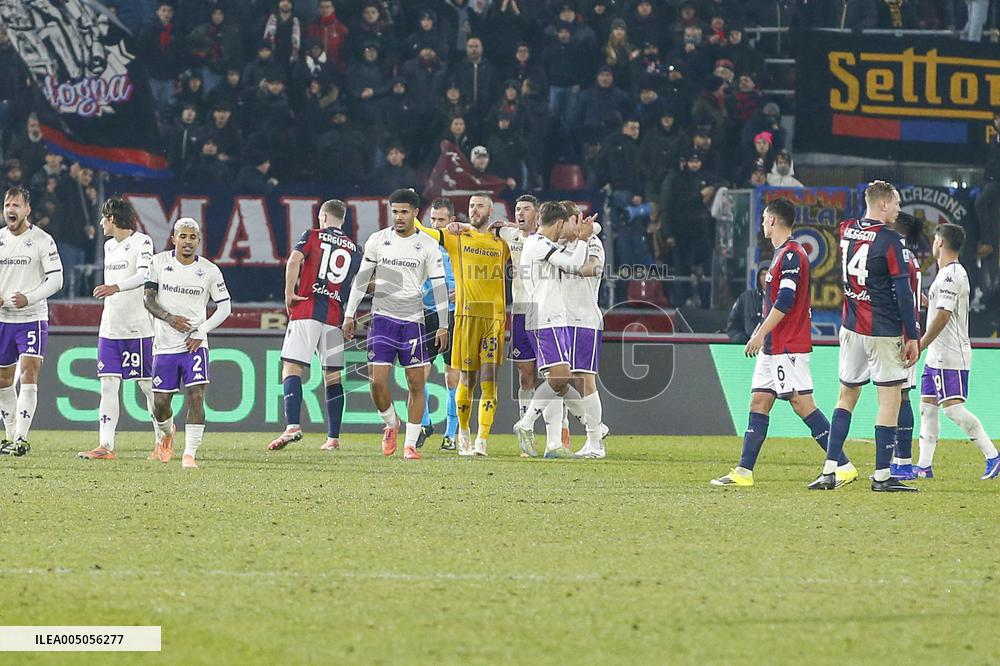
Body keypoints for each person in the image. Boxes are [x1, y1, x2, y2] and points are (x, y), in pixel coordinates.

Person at [711, 199, 856, 486]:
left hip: (788, 344)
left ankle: (843, 465)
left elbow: (786, 300)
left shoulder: (791, 255)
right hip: (774, 346)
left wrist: (760, 333)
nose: (763, 223)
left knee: (802, 404)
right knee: (759, 401)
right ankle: (744, 472)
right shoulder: (781, 255)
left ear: (773, 220)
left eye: (764, 218)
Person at [810, 181, 920, 492]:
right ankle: (882, 476)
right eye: (896, 203)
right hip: (882, 329)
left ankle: (830, 470)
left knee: (846, 395)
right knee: (890, 398)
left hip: (851, 326)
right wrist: (911, 335)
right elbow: (903, 293)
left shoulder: (847, 230)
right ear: (883, 204)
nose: (899, 209)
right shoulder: (891, 240)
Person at [343, 189, 448, 461]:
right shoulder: (378, 240)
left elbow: (439, 286)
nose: (398, 217)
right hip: (382, 319)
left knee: (416, 382)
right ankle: (391, 423)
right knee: (377, 382)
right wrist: (349, 314)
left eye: (404, 212)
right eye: (395, 212)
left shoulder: (428, 245)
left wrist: (443, 325)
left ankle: (410, 445)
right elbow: (362, 279)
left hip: (413, 321)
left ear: (415, 213)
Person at [414, 192, 509, 457]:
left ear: (491, 211)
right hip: (465, 317)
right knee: (466, 379)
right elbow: (422, 231)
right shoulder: (456, 237)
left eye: (480, 206)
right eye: (471, 206)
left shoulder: (503, 241)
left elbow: (531, 236)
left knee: (489, 380)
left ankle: (482, 440)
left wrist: (510, 226)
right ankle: (463, 433)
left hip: (494, 318)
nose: (475, 209)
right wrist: (411, 206)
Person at [268, 200, 361, 453]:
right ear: (343, 220)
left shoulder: (312, 235)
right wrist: (350, 314)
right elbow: (360, 284)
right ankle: (333, 438)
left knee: (292, 368)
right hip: (335, 317)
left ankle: (293, 426)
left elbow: (294, 260)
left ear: (323, 217)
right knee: (332, 377)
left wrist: (289, 293)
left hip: (307, 309)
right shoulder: (355, 249)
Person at [143, 218, 232, 469]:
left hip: (194, 345)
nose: (187, 242)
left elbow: (225, 307)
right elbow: (148, 300)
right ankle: (167, 432)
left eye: (192, 237)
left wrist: (201, 331)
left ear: (199, 241)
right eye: (183, 236)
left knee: (196, 396)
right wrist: (169, 318)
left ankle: (189, 454)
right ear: (173, 239)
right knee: (161, 404)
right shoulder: (158, 263)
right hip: (165, 345)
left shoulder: (209, 270)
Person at [914, 223, 1000, 480]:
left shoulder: (952, 275)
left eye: (935, 239)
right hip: (936, 354)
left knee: (952, 409)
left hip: (950, 353)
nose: (933, 243)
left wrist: (921, 344)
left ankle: (993, 456)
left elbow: (943, 316)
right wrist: (927, 302)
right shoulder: (945, 274)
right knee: (927, 408)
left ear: (940, 242)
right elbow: (940, 309)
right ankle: (924, 466)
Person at [514, 202, 599, 458]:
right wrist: (583, 239)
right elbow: (574, 264)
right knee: (560, 377)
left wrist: (588, 232)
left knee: (558, 380)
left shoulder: (542, 243)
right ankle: (526, 423)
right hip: (543, 317)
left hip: (552, 318)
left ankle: (568, 431)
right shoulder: (539, 244)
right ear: (560, 223)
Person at [78, 198, 158, 461]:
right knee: (108, 385)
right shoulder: (109, 246)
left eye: (104, 217)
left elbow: (144, 275)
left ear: (112, 218)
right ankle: (105, 446)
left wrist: (115, 287)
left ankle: (163, 438)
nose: (101, 222)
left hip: (138, 328)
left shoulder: (142, 242)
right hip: (111, 327)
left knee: (147, 386)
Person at [0, 187, 63, 456]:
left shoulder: (42, 240)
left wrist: (30, 298)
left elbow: (57, 280)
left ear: (27, 209)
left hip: (31, 318)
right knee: (3, 378)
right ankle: (9, 436)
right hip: (3, 319)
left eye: (16, 205)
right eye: (7, 205)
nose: (10, 210)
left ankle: (22, 438)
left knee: (28, 372)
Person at [561, 202, 609, 459]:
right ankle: (595, 427)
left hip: (583, 319)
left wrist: (568, 264)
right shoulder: (559, 244)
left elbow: (592, 268)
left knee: (584, 378)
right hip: (560, 320)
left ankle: (595, 443)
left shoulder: (593, 242)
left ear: (576, 219)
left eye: (566, 220)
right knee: (556, 380)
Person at [417, 199, 458, 450]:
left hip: (453, 315)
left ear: (451, 221)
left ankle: (451, 434)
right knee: (417, 375)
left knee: (452, 377)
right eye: (432, 219)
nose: (435, 224)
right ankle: (425, 424)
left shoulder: (459, 244)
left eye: (441, 220)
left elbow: (472, 275)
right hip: (428, 315)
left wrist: (461, 290)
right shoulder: (421, 245)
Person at [726, 266, 766, 343]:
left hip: (774, 347)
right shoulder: (746, 298)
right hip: (747, 345)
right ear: (758, 278)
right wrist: (741, 341)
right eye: (762, 274)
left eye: (769, 274)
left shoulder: (781, 299)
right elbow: (733, 325)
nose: (766, 278)